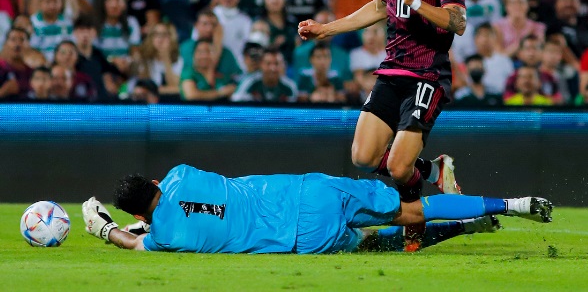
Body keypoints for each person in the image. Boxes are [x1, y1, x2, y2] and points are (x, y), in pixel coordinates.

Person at [298, 0, 468, 251]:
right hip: (393, 70)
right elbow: (380, 5)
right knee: (363, 156)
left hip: (427, 74)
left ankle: (415, 221)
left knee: (398, 167)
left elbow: (458, 21)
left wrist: (419, 3)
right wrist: (326, 29)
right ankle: (435, 171)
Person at [81, 163, 553, 253]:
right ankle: (511, 203)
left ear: (141, 214)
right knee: (414, 209)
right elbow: (178, 195)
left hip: (301, 240)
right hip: (307, 193)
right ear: (152, 183)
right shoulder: (181, 174)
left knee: (381, 245)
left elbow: (137, 239)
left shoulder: (165, 238)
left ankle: (467, 228)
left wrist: (104, 228)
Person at [232, 48, 298, 102]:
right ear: (261, 64)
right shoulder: (249, 83)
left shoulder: (289, 86)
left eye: (276, 64)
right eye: (268, 64)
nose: (272, 68)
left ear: (282, 66)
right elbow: (235, 101)